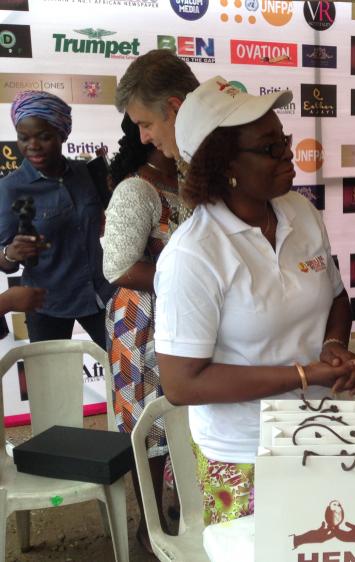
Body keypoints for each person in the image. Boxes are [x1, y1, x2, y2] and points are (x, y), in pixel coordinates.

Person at [153, 77, 355, 525]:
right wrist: (304, 374)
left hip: (324, 428)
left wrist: (333, 346)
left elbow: (336, 297)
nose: (288, 155)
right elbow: (182, 384)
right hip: (246, 452)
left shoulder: (301, 212)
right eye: (271, 148)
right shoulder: (193, 254)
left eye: (284, 141)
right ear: (224, 165)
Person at [101, 114, 181, 552]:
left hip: (187, 317)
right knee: (148, 429)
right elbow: (119, 268)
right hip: (143, 322)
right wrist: (191, 281)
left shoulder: (190, 180)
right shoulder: (137, 189)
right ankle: (150, 527)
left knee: (186, 419)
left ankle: (184, 509)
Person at [0, 91, 112, 347]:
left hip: (101, 295)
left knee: (127, 368)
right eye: (23, 137)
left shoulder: (85, 173)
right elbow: (4, 262)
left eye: (44, 136)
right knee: (50, 374)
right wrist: (11, 254)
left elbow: (104, 224)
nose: (33, 146)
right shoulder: (10, 188)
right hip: (46, 304)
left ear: (62, 134)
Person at [115, 48, 199, 187]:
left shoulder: (227, 166)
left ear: (175, 108)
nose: (143, 139)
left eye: (146, 125)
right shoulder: (195, 162)